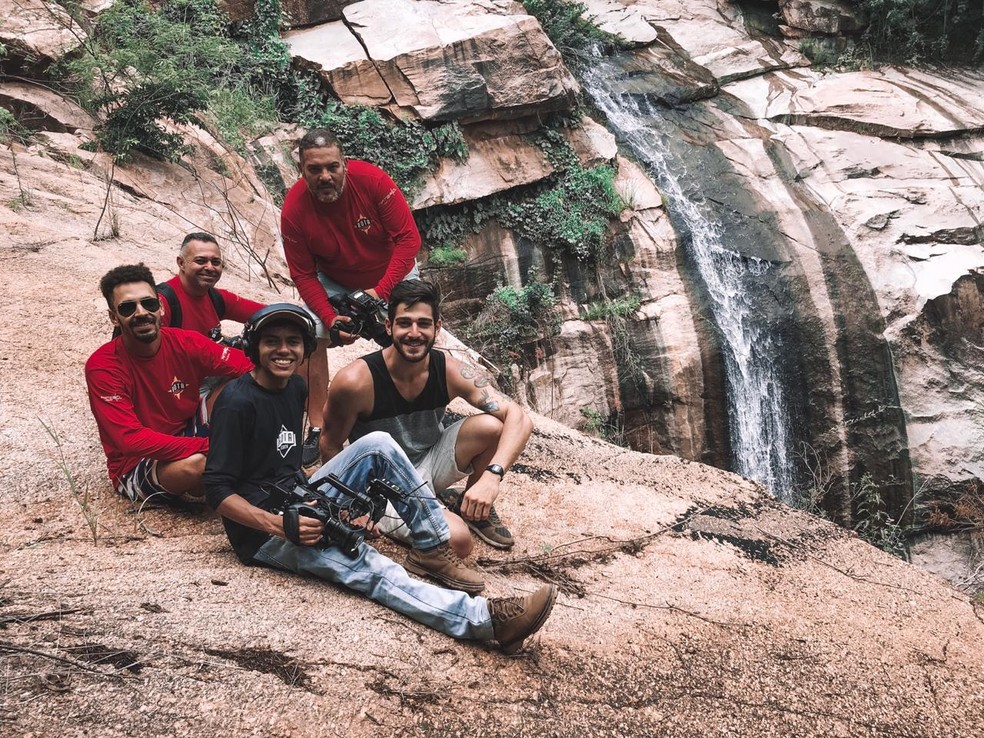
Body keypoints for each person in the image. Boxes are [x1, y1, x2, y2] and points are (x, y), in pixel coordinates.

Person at [202, 304, 556, 654]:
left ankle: (430, 546)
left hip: (297, 498)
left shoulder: (294, 388)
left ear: (305, 348)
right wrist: (278, 525)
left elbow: (282, 463)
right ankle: (487, 622)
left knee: (378, 445)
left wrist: (342, 505)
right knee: (368, 566)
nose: (283, 351)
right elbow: (216, 489)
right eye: (272, 342)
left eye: (293, 342)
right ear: (253, 346)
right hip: (263, 533)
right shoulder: (236, 403)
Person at [319, 279, 534, 550]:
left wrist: (492, 477)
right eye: (404, 323)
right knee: (457, 542)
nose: (414, 332)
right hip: (384, 482)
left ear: (437, 328)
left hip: (430, 460)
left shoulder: (450, 371)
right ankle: (438, 516)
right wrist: (351, 504)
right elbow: (330, 443)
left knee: (492, 426)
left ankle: (472, 506)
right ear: (389, 326)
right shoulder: (355, 381)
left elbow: (519, 416)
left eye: (423, 323)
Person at [280, 128, 422, 463]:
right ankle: (317, 426)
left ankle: (418, 417)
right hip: (334, 280)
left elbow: (408, 241)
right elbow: (302, 273)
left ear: (345, 163)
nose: (324, 176)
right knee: (309, 332)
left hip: (391, 273)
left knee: (411, 333)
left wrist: (378, 293)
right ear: (301, 170)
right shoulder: (294, 211)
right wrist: (330, 318)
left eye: (332, 167)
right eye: (314, 169)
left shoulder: (373, 182)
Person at [85, 264, 254, 503]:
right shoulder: (103, 366)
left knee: (242, 387)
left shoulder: (185, 342)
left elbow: (251, 368)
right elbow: (130, 439)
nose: (141, 312)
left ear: (161, 307)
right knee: (197, 466)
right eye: (127, 307)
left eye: (149, 303)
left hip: (188, 431)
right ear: (114, 317)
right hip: (136, 462)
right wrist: (210, 447)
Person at [161, 231, 328, 467]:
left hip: (205, 379)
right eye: (200, 261)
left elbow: (267, 313)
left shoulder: (214, 297)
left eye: (215, 262)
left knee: (288, 360)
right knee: (254, 379)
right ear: (181, 263)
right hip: (177, 392)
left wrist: (322, 320)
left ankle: (294, 438)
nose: (209, 267)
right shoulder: (163, 302)